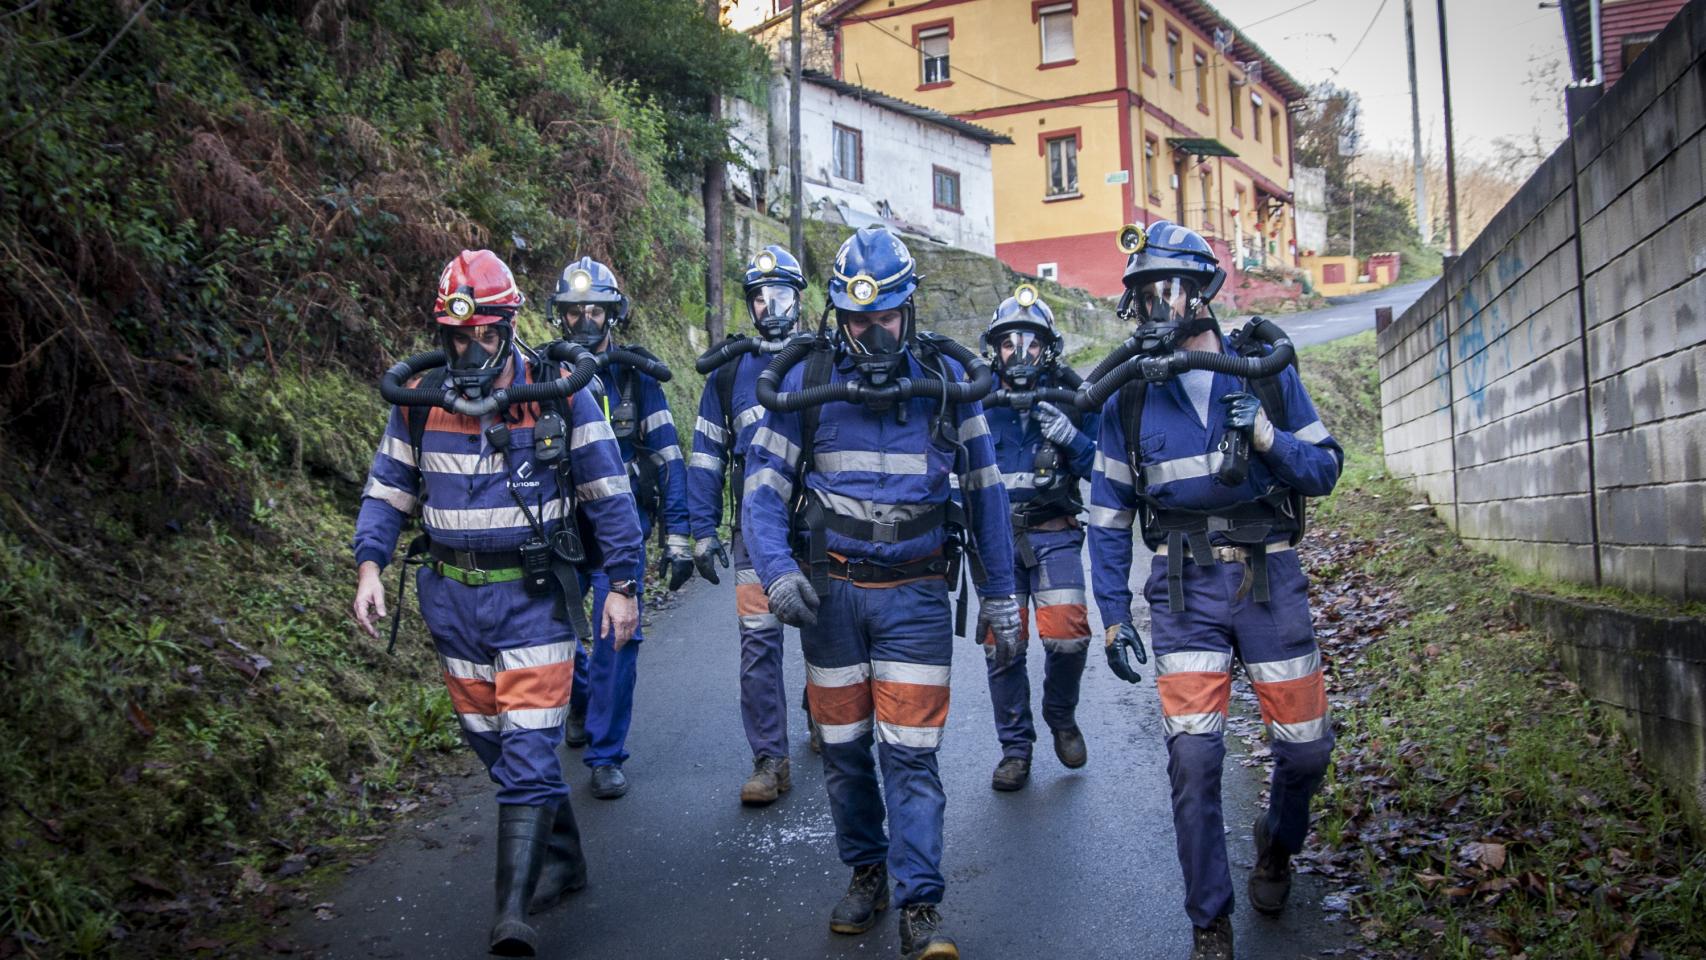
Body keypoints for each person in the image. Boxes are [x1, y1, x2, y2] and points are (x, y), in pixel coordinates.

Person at [351, 249, 644, 956]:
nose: (473, 348)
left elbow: (608, 493)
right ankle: (566, 858)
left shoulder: (557, 391)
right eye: (460, 336)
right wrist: (370, 566)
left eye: (487, 333)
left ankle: (510, 914)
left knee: (531, 748)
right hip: (452, 602)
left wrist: (625, 586)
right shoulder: (419, 400)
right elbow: (389, 487)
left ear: (509, 325)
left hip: (533, 598)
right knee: (494, 747)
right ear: (443, 333)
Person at [743, 225, 1020, 960]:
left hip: (918, 596)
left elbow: (988, 497)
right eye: (857, 317)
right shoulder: (806, 380)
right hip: (830, 598)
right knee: (843, 747)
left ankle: (920, 906)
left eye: (885, 316)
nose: (871, 332)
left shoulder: (948, 385)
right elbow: (763, 493)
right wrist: (776, 573)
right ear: (838, 313)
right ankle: (867, 872)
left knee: (911, 752)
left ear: (909, 311)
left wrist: (1001, 596)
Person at [1086, 222, 1342, 960]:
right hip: (1181, 588)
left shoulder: (1263, 369)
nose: (1153, 308)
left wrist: (1265, 436)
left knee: (1304, 751)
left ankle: (1276, 844)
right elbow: (1107, 519)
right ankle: (1210, 922)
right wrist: (1110, 616)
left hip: (1270, 580)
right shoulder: (1125, 400)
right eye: (1140, 296)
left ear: (1202, 294)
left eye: (1166, 289)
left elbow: (1324, 469)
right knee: (1193, 760)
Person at [549, 256, 689, 799]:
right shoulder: (543, 374)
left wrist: (679, 537)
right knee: (553, 632)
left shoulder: (636, 377)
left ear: (614, 316)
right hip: (563, 533)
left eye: (596, 311)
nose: (585, 322)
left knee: (616, 637)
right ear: (558, 318)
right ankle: (582, 702)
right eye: (573, 312)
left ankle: (606, 755)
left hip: (621, 535)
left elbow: (670, 459)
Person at [687, 245, 808, 805]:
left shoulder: (825, 358)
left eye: (779, 295)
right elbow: (707, 455)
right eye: (758, 298)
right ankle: (769, 759)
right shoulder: (729, 370)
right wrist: (702, 530)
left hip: (820, 529)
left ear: (800, 299)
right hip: (754, 536)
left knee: (829, 635)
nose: (769, 307)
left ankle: (831, 717)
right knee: (759, 643)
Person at [977, 286, 1099, 792]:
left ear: (1049, 349)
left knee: (1068, 636)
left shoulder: (1073, 400)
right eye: (1009, 343)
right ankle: (1016, 749)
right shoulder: (978, 403)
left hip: (1054, 535)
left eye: (1031, 342)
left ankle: (1061, 715)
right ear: (994, 349)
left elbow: (1108, 473)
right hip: (998, 543)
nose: (1020, 353)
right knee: (1002, 647)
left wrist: (1074, 439)